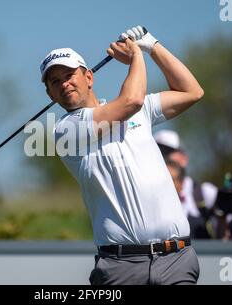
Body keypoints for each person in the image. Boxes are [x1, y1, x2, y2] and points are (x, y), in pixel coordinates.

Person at [41, 26, 204, 284]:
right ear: (50, 94)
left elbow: (191, 91)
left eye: (69, 75)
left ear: (89, 77)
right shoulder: (65, 130)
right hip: (120, 267)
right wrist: (136, 56)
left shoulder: (140, 111)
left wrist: (153, 47)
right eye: (55, 81)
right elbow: (131, 102)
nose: (64, 83)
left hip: (176, 259)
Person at [154, 129, 218, 239]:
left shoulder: (204, 193)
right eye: (157, 152)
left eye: (167, 152)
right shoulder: (147, 196)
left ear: (184, 159)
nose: (162, 158)